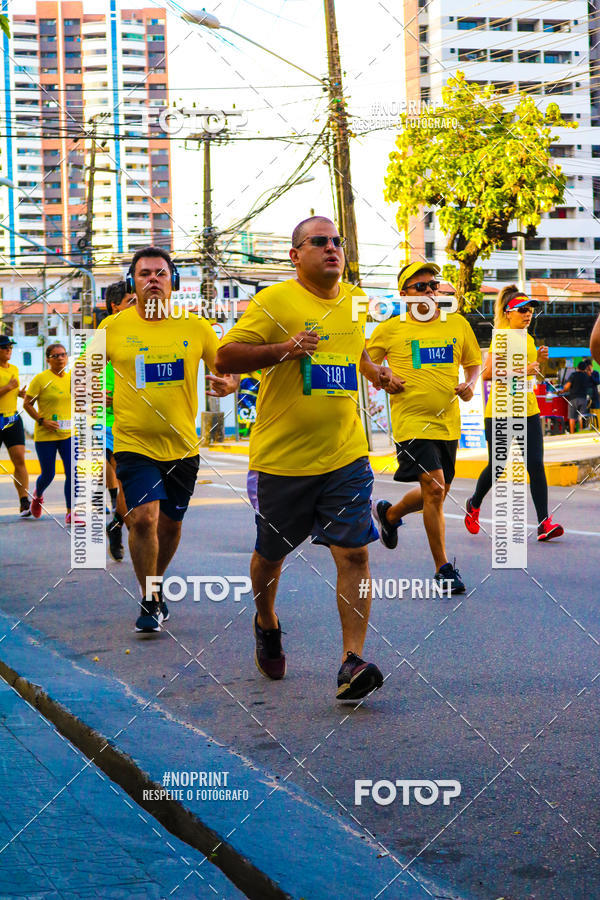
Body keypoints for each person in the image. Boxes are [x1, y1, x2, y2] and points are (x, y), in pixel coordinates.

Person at [215, 215, 404, 701]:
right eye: (319, 242)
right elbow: (225, 357)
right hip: (282, 462)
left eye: (336, 241)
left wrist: (376, 373)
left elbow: (352, 353)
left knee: (356, 553)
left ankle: (351, 660)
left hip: (345, 456)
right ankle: (266, 622)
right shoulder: (274, 301)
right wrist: (284, 349)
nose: (331, 248)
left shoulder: (356, 300)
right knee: (270, 557)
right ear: (295, 255)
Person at [95, 246, 238, 633]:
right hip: (132, 444)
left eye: (160, 273)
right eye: (144, 274)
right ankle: (150, 597)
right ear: (133, 282)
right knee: (143, 519)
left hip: (182, 447)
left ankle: (155, 587)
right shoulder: (112, 328)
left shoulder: (195, 327)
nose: (153, 279)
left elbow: (225, 366)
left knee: (170, 527)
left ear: (172, 281)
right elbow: (85, 376)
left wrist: (230, 383)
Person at [367, 261, 481, 594]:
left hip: (448, 424)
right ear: (404, 295)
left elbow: (474, 364)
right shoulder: (390, 328)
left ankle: (390, 515)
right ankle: (443, 569)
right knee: (434, 488)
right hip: (412, 422)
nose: (430, 291)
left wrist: (471, 384)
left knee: (439, 491)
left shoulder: (456, 323)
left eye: (434, 285)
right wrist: (382, 376)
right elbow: (364, 361)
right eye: (421, 287)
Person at [465, 285, 564, 542]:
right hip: (500, 411)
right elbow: (487, 375)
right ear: (509, 313)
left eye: (530, 310)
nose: (527, 314)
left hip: (528, 410)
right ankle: (474, 504)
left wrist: (538, 361)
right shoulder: (501, 337)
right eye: (522, 310)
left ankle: (544, 523)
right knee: (497, 466)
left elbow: (527, 371)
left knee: (536, 465)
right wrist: (525, 369)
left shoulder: (528, 340)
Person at [102, 281, 136, 561]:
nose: (138, 306)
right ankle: (121, 523)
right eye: (131, 301)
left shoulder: (141, 332)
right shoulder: (103, 334)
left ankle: (116, 522)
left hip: (140, 420)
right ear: (115, 306)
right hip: (109, 423)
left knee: (131, 487)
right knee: (127, 483)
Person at [23, 343, 72, 523]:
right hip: (46, 435)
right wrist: (42, 421)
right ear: (48, 359)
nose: (60, 358)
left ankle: (70, 513)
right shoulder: (41, 379)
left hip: (68, 434)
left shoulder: (72, 378)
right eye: (55, 355)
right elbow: (27, 404)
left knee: (72, 473)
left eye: (63, 355)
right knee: (49, 474)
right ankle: (38, 494)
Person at [0, 334, 30, 516]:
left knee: (19, 459)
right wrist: (9, 388)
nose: (8, 350)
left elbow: (10, 389)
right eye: (4, 347)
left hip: (12, 418)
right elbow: (6, 387)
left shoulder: (15, 369)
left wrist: (18, 393)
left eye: (10, 347)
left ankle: (24, 501)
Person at [559, 359, 594, 433]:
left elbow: (567, 387)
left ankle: (572, 433)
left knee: (572, 417)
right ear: (585, 368)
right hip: (583, 398)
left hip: (573, 398)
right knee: (581, 416)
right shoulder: (586, 376)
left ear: (577, 367)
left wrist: (562, 391)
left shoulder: (573, 375)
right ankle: (581, 431)